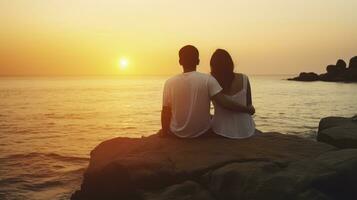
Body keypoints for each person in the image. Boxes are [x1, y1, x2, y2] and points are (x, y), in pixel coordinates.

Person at [160, 45, 254, 138]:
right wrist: (248, 110)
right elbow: (225, 102)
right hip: (206, 132)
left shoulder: (169, 82)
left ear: (180, 62)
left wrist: (164, 132)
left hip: (178, 133)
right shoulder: (207, 80)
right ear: (198, 61)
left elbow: (165, 111)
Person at [210, 49, 256, 138]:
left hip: (221, 130)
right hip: (245, 130)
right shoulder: (244, 78)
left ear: (213, 65)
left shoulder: (210, 81)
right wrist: (250, 109)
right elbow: (249, 105)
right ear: (230, 63)